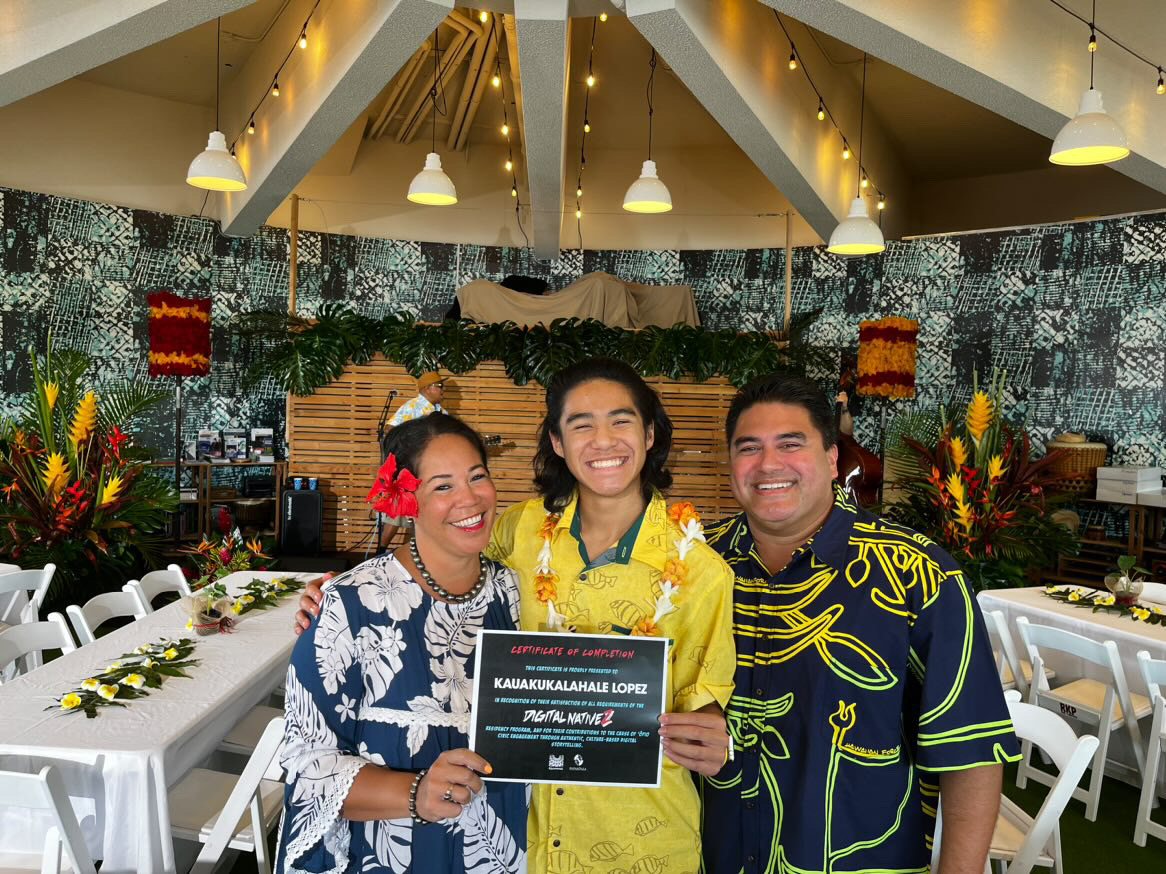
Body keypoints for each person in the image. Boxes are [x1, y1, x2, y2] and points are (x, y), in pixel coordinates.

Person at [298, 358, 735, 874]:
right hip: (518, 836)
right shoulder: (520, 532)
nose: (603, 440)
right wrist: (343, 602)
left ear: (650, 432)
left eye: (620, 421)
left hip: (639, 838)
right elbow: (445, 570)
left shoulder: (703, 572)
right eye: (581, 424)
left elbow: (704, 705)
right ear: (556, 441)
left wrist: (712, 734)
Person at [699, 373, 1019, 874]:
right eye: (748, 448)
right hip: (706, 854)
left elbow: (971, 752)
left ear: (831, 459)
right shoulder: (689, 562)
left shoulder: (917, 574)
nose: (768, 465)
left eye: (790, 444)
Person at [276, 412, 526, 873]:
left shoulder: (518, 594)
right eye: (443, 486)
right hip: (393, 856)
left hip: (503, 852)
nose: (470, 499)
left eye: (477, 476)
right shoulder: (350, 606)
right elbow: (305, 767)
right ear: (407, 500)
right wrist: (415, 793)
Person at [378, 373, 447, 550]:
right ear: (427, 388)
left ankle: (415, 552)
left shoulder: (441, 412)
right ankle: (380, 551)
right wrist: (407, 450)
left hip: (429, 469)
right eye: (439, 386)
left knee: (421, 510)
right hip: (409, 468)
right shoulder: (412, 406)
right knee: (400, 510)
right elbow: (389, 429)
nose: (442, 390)